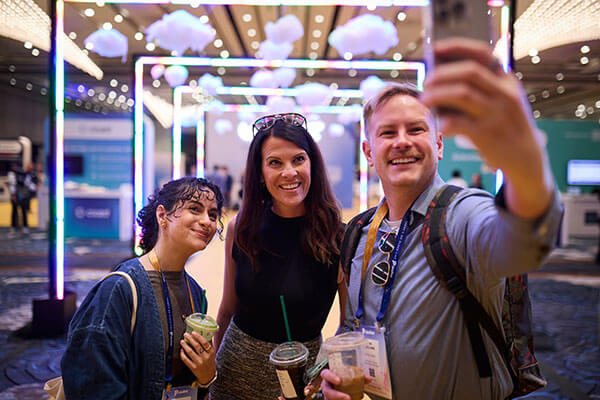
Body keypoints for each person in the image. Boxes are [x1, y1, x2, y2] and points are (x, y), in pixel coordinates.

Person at [319, 39, 562, 400]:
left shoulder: (460, 214)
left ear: (439, 144)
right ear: (369, 152)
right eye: (388, 132)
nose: (402, 142)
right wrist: (338, 380)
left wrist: (523, 158)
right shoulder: (359, 232)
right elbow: (354, 328)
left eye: (416, 130)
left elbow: (526, 241)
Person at [210, 113, 346, 399]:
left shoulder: (339, 236)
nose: (289, 172)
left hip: (304, 381)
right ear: (260, 172)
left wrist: (324, 370)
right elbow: (227, 308)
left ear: (312, 164)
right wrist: (207, 377)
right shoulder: (241, 228)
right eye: (275, 162)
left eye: (298, 159)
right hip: (235, 376)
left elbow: (348, 324)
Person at [61, 177, 223, 399]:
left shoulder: (195, 292)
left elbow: (193, 381)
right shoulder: (119, 289)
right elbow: (93, 385)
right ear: (162, 215)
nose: (207, 221)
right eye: (194, 209)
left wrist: (207, 376)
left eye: (213, 215)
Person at [7, 163, 31, 233]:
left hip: (21, 195)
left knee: (21, 211)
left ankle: (22, 226)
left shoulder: (16, 174)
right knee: (16, 211)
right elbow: (12, 185)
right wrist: (13, 195)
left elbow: (27, 184)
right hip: (19, 195)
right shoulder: (13, 174)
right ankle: (16, 226)